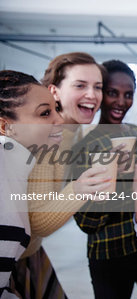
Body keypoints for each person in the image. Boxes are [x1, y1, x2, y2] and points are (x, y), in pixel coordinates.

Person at [12, 52, 111, 299]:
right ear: (54, 91)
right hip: (13, 257)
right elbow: (38, 222)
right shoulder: (46, 136)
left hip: (31, 252)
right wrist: (81, 189)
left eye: (97, 87)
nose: (92, 95)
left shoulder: (73, 132)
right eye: (80, 85)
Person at [72, 60, 137, 299]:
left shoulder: (136, 134)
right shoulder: (83, 146)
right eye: (112, 93)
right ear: (99, 94)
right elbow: (86, 223)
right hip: (108, 253)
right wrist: (116, 178)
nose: (121, 101)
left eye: (128, 94)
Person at [0, 70, 64, 297]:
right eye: (45, 113)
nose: (60, 119)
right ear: (5, 127)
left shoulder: (18, 164)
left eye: (56, 109)